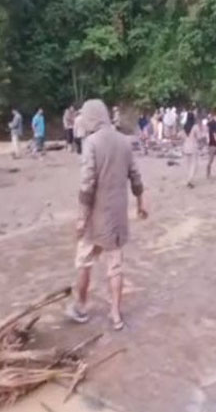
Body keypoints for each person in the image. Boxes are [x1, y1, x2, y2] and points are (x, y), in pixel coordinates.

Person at [66, 99, 146, 331]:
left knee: (84, 261)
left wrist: (81, 218)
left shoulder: (91, 143)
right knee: (115, 266)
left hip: (95, 218)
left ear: (93, 117)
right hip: (118, 216)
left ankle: (80, 307)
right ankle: (115, 315)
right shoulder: (124, 141)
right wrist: (141, 202)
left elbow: (87, 184)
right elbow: (136, 176)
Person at [182, 112, 201, 188]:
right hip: (193, 146)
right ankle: (190, 180)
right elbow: (199, 137)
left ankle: (188, 179)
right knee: (194, 165)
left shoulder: (184, 126)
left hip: (185, 147)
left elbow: (180, 136)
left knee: (188, 165)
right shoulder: (195, 126)